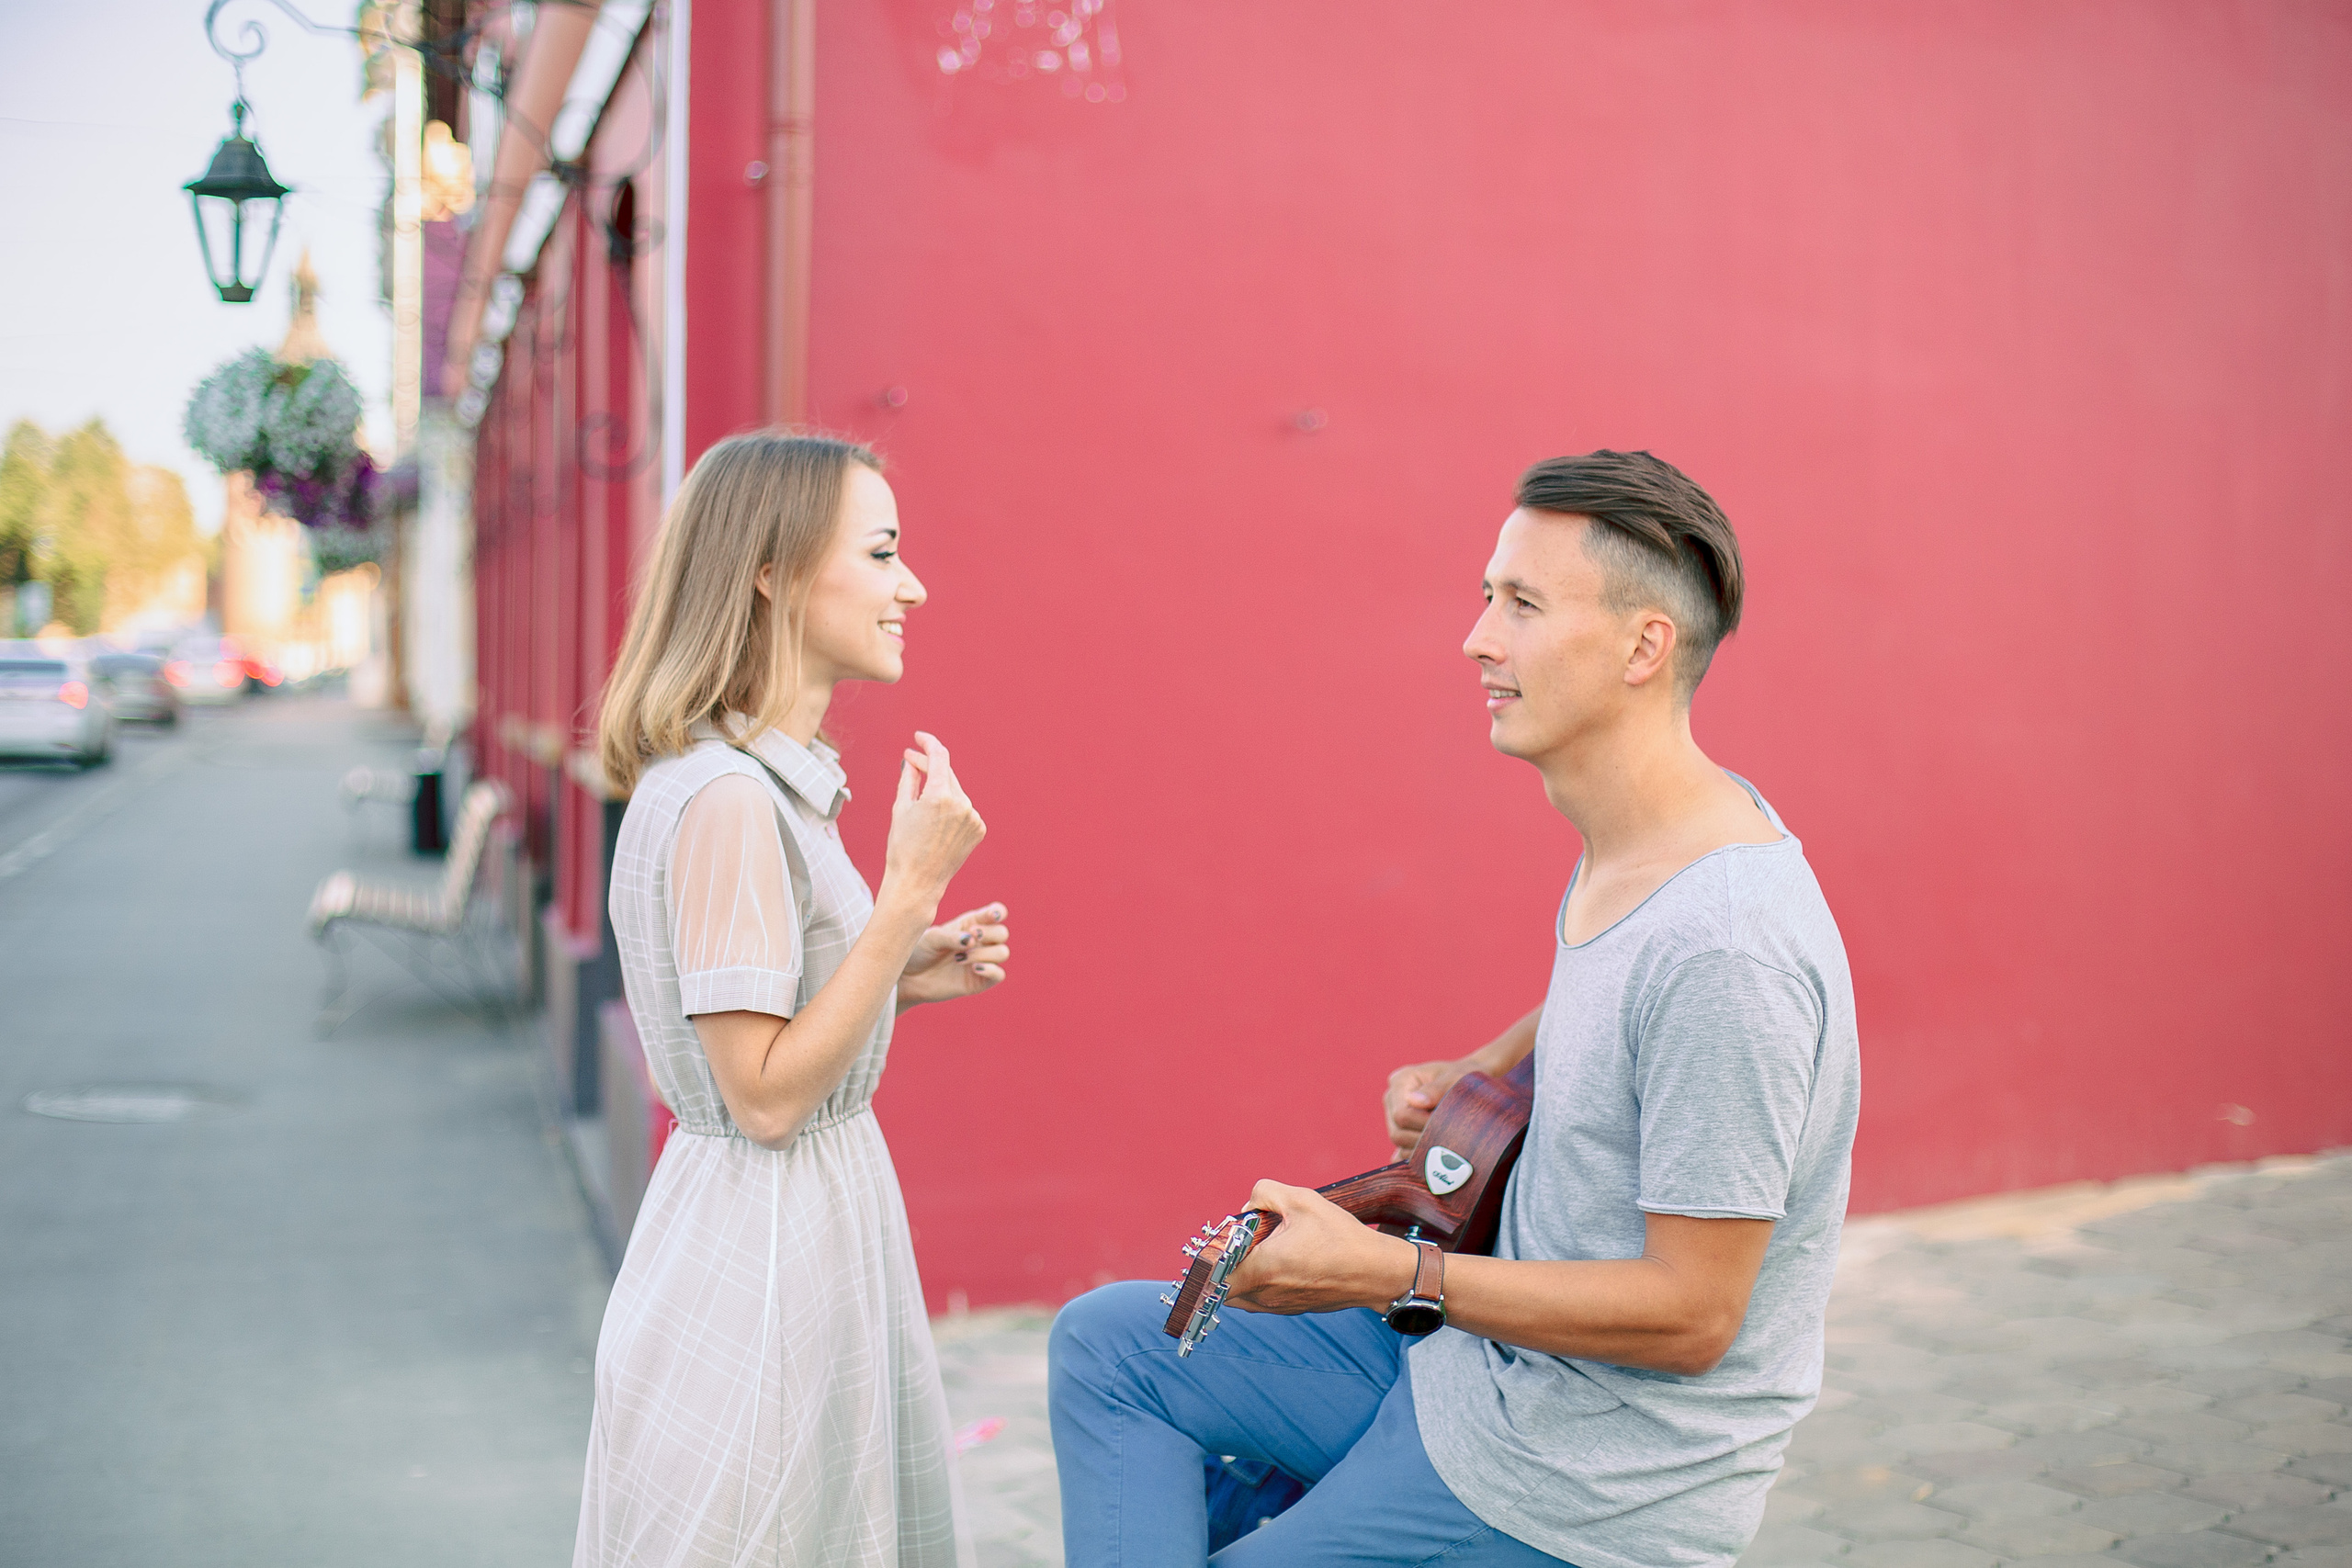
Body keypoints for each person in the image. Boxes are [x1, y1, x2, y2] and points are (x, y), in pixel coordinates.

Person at [1048, 450, 1860, 1568]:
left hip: (1581, 1479)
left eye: (1521, 604)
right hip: (1471, 1373)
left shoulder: (1728, 947)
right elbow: (1623, 984)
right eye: (1488, 597)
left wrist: (1387, 1273)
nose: (1476, 639)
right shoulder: (1653, 835)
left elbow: (1693, 1316)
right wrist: (1489, 1064)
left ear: (1643, 645)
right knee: (1110, 1347)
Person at [576, 432, 1007, 1568]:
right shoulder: (727, 798)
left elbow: (771, 1032)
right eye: (880, 552)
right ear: (770, 570)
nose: (910, 585)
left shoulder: (755, 784)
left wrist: (893, 978)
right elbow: (760, 1096)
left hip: (802, 1220)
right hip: (765, 1244)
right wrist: (908, 895)